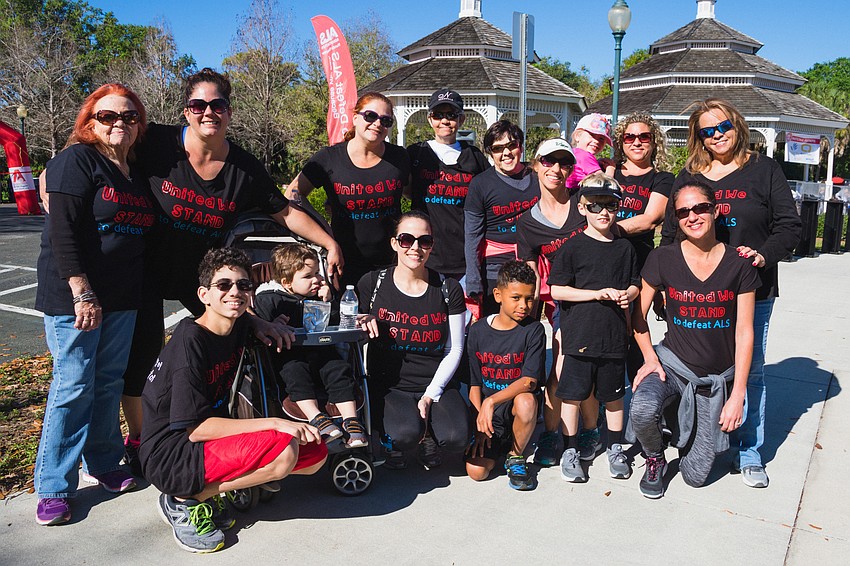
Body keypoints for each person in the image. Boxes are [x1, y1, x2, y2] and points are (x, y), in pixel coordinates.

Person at [118, 68, 338, 472]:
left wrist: (329, 242)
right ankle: (139, 439)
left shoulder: (243, 167)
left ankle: (226, 417)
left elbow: (285, 210)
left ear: (229, 111)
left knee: (237, 329)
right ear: (186, 111)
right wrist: (62, 170)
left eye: (217, 105)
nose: (208, 113)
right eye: (198, 105)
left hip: (201, 274)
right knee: (142, 356)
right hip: (145, 266)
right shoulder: (157, 143)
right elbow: (105, 150)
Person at [140, 248, 328, 553]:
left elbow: (247, 317)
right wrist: (278, 423)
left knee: (315, 453)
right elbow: (195, 429)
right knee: (284, 448)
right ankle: (185, 499)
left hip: (202, 443)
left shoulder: (237, 324)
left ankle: (210, 489)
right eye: (224, 285)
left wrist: (261, 323)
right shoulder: (190, 342)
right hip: (172, 453)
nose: (235, 292)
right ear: (204, 294)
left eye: (243, 285)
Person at [661, 98, 802, 488]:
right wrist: (664, 289)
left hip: (752, 291)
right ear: (699, 137)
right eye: (708, 130)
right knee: (690, 370)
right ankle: (692, 437)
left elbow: (790, 228)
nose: (717, 135)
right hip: (697, 299)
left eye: (723, 126)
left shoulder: (764, 170)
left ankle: (748, 451)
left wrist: (764, 254)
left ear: (737, 125)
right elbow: (672, 234)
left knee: (750, 372)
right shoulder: (689, 173)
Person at [33, 84, 155, 525]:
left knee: (106, 382)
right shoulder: (75, 161)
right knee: (73, 385)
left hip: (123, 298)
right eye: (106, 116)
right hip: (75, 299)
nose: (118, 123)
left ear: (140, 124)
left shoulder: (134, 172)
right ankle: (53, 486)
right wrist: (81, 290)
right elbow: (62, 233)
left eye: (128, 116)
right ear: (89, 122)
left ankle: (103, 462)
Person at [631, 181, 759, 498]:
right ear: (676, 218)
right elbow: (637, 315)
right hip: (672, 366)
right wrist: (649, 357)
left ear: (715, 210)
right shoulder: (663, 258)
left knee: (696, 476)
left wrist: (737, 394)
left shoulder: (739, 263)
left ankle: (678, 417)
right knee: (642, 408)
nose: (693, 216)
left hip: (713, 380)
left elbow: (745, 331)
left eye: (701, 207)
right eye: (684, 211)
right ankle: (655, 457)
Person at [357, 210, 469, 469]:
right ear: (395, 243)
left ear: (432, 246)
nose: (415, 248)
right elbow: (348, 331)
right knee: (403, 436)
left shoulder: (447, 288)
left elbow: (455, 348)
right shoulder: (372, 284)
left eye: (424, 241)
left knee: (456, 438)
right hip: (391, 385)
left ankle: (428, 433)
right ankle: (404, 438)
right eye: (407, 239)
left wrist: (432, 393)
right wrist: (360, 324)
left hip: (434, 382)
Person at [548, 173, 640, 483]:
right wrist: (596, 294)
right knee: (573, 396)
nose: (604, 213)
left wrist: (626, 295)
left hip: (613, 338)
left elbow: (635, 284)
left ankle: (615, 448)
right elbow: (557, 291)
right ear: (582, 208)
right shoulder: (572, 248)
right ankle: (570, 450)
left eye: (611, 206)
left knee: (613, 398)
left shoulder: (625, 249)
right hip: (579, 337)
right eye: (595, 205)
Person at [253, 243, 375, 448]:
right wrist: (273, 325)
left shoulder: (320, 298)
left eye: (318, 273)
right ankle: (316, 417)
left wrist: (327, 302)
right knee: (294, 371)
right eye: (308, 276)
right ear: (287, 283)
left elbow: (340, 321)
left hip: (322, 353)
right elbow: (262, 325)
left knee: (338, 368)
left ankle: (351, 421)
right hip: (291, 356)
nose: (317, 279)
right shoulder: (270, 299)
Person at [286, 92, 410, 289]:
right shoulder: (328, 158)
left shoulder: (400, 158)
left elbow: (415, 198)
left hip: (393, 264)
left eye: (386, 120)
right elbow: (291, 198)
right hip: (343, 264)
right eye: (370, 116)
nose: (377, 123)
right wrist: (327, 239)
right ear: (355, 117)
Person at [514, 138, 584, 467]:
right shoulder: (528, 223)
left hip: (600, 300)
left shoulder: (585, 203)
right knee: (558, 369)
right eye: (548, 162)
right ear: (536, 165)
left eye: (564, 163)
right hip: (563, 306)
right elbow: (531, 278)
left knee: (596, 370)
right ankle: (551, 435)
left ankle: (591, 432)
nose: (556, 169)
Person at [465, 261, 546, 491]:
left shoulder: (534, 330)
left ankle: (515, 455)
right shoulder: (478, 330)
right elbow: (474, 384)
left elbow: (529, 381)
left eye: (529, 298)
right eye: (516, 298)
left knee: (527, 401)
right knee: (477, 472)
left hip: (513, 408)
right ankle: (497, 445)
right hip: (489, 416)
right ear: (498, 295)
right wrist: (478, 425)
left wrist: (491, 401)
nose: (524, 305)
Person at [408, 89, 489, 284]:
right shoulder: (416, 153)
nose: (445, 121)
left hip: (463, 258)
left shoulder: (474, 156)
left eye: (451, 115)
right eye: (438, 115)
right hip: (424, 256)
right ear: (430, 119)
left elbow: (490, 193)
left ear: (461, 120)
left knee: (462, 315)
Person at [465, 120, 540, 318]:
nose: (506, 153)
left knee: (528, 329)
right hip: (495, 270)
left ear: (521, 146)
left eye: (511, 145)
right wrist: (473, 281)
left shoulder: (537, 178)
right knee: (497, 328)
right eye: (498, 149)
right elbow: (472, 236)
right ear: (490, 153)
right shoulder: (480, 184)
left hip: (532, 264)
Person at [565, 113, 616, 189]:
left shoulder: (573, 153)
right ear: (577, 136)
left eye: (601, 139)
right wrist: (611, 169)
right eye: (592, 135)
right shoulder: (584, 156)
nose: (596, 141)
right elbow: (604, 184)